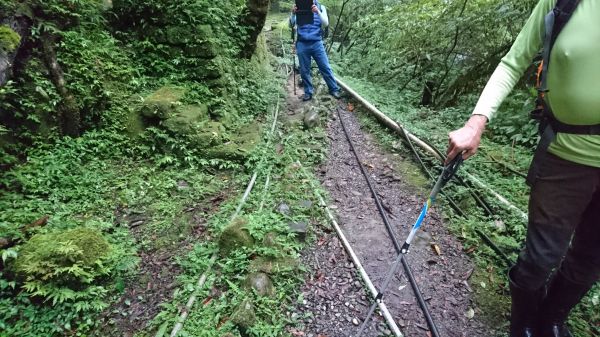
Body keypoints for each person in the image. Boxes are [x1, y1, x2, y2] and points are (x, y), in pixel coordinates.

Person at [446, 1, 599, 336]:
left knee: (591, 257)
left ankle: (553, 317)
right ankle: (524, 322)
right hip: (566, 154)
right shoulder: (563, 3)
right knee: (541, 256)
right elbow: (512, 63)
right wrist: (476, 122)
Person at [290, 0, 342, 101]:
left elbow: (326, 23)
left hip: (317, 43)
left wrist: (317, 11)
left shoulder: (321, 7)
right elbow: (291, 24)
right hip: (302, 43)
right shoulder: (298, 6)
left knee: (325, 67)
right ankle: (308, 92)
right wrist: (293, 13)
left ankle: (334, 89)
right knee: (305, 70)